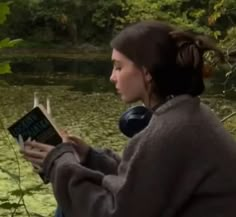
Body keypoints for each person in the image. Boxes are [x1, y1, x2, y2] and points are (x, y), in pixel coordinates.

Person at [21, 20, 236, 217]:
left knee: (66, 209)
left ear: (147, 71)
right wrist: (89, 157)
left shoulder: (170, 131)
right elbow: (144, 185)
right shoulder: (187, 115)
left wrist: (59, 162)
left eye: (118, 67)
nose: (112, 77)